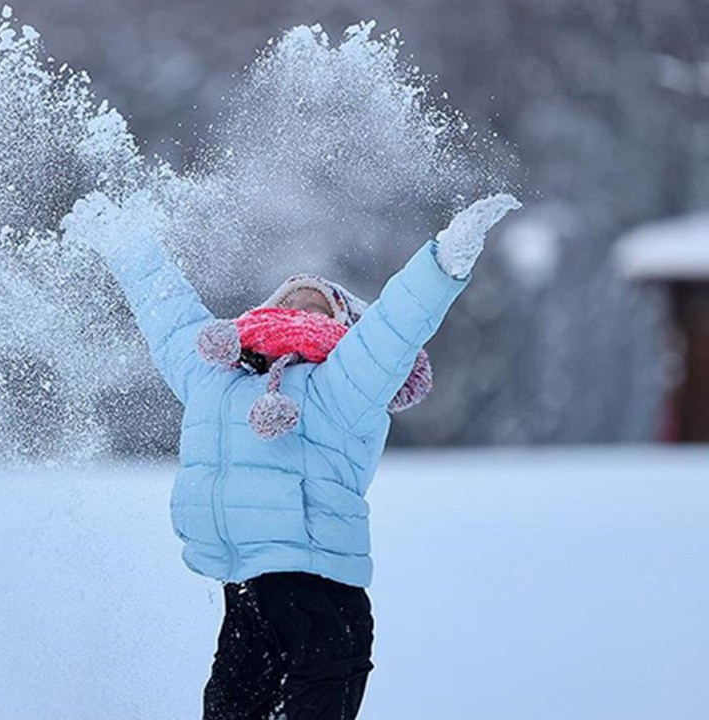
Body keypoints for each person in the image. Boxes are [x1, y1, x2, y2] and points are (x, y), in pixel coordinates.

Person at [60, 190, 520, 720]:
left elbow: (394, 327)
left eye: (317, 304)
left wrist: (441, 263)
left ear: (345, 328)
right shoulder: (216, 376)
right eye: (288, 300)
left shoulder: (343, 384)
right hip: (247, 597)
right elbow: (169, 315)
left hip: (324, 603)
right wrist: (127, 244)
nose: (298, 307)